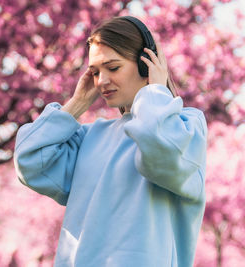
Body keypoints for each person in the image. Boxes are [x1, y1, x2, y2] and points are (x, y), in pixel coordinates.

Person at [13, 16, 207, 267]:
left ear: (145, 64)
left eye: (113, 68)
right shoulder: (88, 137)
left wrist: (154, 91)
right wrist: (77, 104)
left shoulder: (185, 128)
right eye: (94, 72)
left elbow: (161, 152)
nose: (101, 81)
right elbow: (28, 161)